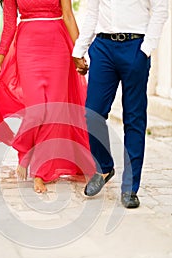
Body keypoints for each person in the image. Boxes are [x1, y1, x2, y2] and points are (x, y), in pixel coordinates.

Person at [0, 0, 95, 193]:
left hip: (57, 45)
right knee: (36, 111)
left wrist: (79, 52)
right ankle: (24, 152)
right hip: (28, 47)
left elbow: (68, 14)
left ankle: (41, 172)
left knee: (54, 112)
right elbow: (9, 25)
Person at [73, 0, 168, 208]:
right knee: (92, 113)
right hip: (103, 48)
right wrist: (79, 50)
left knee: (134, 119)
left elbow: (161, 9)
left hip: (135, 46)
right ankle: (105, 167)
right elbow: (92, 12)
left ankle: (130, 188)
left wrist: (147, 48)